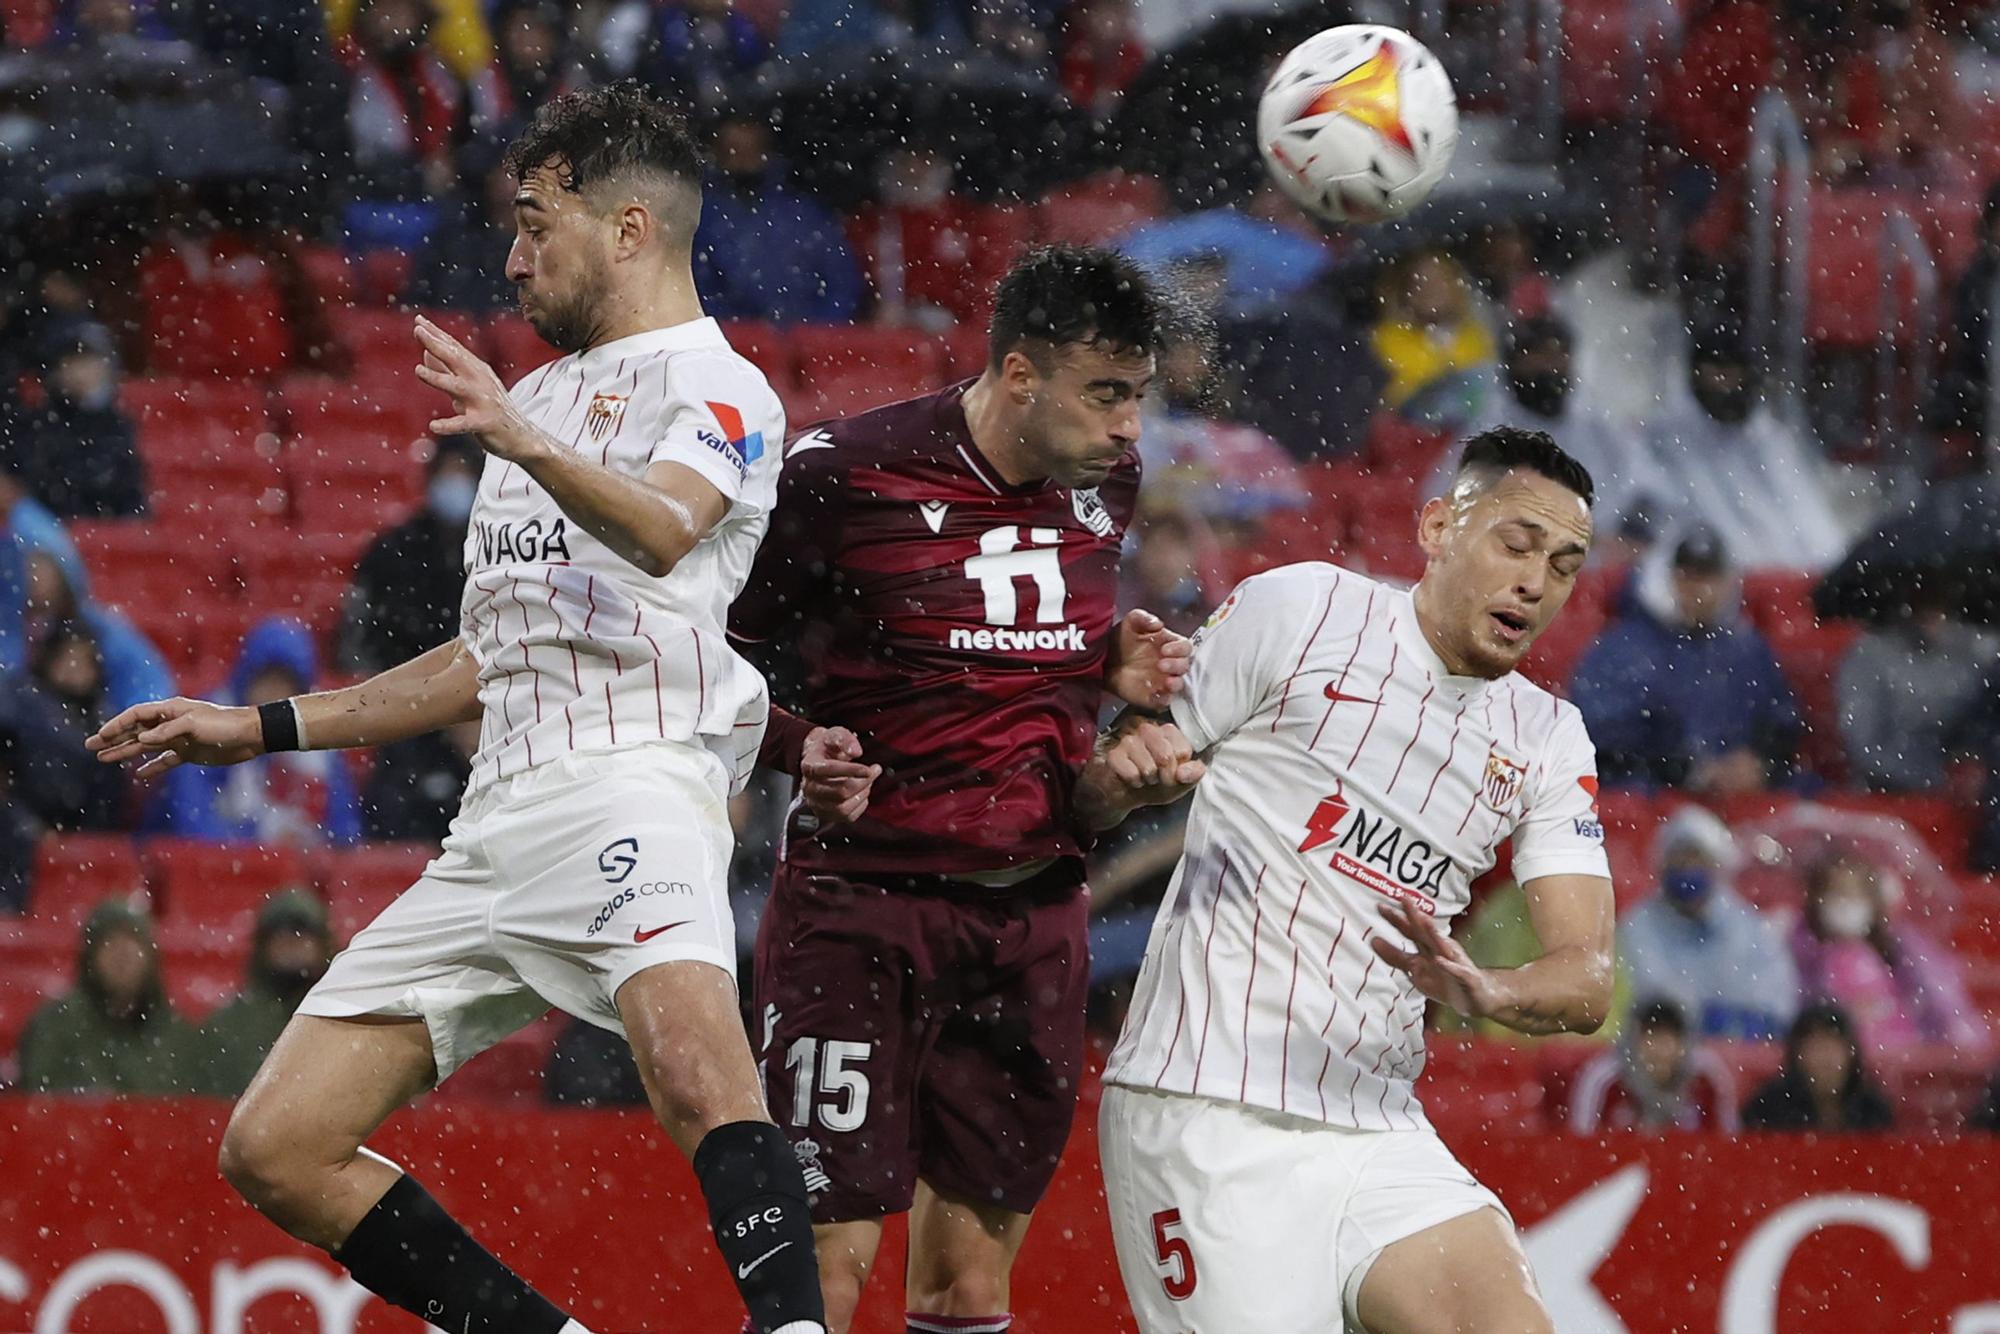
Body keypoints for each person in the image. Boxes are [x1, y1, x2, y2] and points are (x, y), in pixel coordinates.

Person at [87, 85, 826, 1334]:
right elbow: (477, 659)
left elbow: (662, 528)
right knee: (276, 1142)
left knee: (698, 1070)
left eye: (537, 223)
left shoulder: (720, 386)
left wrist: (524, 444)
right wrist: (255, 724)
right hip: (496, 823)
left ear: (630, 227)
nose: (514, 254)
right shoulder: (527, 409)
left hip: (631, 775)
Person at [727, 244, 1188, 1334]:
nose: (1130, 425)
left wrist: (1106, 688)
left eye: (1140, 394)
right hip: (858, 911)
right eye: (1106, 392)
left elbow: (1024, 675)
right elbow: (724, 659)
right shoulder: (842, 473)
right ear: (1021, 375)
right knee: (822, 1278)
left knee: (968, 1288)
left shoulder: (1104, 485)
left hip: (1031, 917)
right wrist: (797, 748)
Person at [1081, 427, 1616, 1334]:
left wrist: (1491, 987)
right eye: (1516, 545)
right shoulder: (1301, 611)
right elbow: (1096, 790)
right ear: (1441, 528)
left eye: (1564, 566)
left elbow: (1587, 977)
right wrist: (1119, 779)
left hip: (1374, 1125)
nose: (1536, 583)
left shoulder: (1546, 736)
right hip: (1208, 1106)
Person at [1570, 528, 1801, 793]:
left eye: (1710, 578)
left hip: (1744, 803)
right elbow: (1603, 741)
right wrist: (1686, 770)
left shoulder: (1747, 648)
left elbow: (1781, 721)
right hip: (1651, 801)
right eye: (1688, 577)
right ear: (1668, 579)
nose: (1701, 591)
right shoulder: (1624, 649)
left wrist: (1760, 763)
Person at [1424, 315, 1666, 535]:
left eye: (1559, 355)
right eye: (1539, 355)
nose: (1551, 365)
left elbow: (1646, 483)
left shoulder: (1596, 420)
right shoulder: (1489, 430)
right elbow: (1443, 503)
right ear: (1514, 364)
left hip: (1600, 557)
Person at [1643, 330, 1856, 571]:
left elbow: (1809, 516)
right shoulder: (1667, 438)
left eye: (1732, 375)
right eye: (1716, 375)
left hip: (1785, 577)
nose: (1724, 386)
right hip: (1709, 579)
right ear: (1697, 374)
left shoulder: (1770, 437)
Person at [146, 616, 365, 847]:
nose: (275, 694)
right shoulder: (204, 729)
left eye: (286, 684)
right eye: (267, 681)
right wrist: (262, 838)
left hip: (289, 874)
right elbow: (192, 825)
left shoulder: (319, 741)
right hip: (202, 871)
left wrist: (305, 848)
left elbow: (345, 833)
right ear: (246, 679)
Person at [1617, 806, 1797, 1041]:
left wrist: (1736, 1023)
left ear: (1717, 866)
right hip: (1664, 1051)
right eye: (1680, 858)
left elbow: (1777, 1000)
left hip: (1742, 1056)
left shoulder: (1749, 927)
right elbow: (1645, 995)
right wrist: (1695, 1019)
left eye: (1697, 858)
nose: (1688, 868)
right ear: (1663, 864)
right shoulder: (1637, 925)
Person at [1790, 852, 1989, 1054]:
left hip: (1900, 1048)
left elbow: (1938, 1001)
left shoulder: (1902, 949)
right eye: (1836, 892)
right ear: (1818, 898)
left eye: (1854, 893)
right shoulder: (1800, 950)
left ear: (1873, 901)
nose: (1844, 902)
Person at [693, 108, 863, 325]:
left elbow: (842, 283)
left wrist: (814, 334)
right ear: (718, 154)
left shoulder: (804, 213)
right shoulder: (702, 215)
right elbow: (697, 289)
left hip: (808, 346)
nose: (744, 162)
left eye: (751, 151)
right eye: (733, 152)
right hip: (734, 342)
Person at [18, 899, 194, 1094]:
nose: (122, 955)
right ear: (90, 956)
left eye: (133, 943)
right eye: (111, 943)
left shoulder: (178, 1036)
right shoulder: (55, 1025)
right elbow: (41, 1103)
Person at [1836, 577, 1995, 792]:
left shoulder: (1976, 649)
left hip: (1972, 788)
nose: (1933, 612)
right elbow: (1865, 745)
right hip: (1894, 791)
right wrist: (1934, 780)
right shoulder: (1869, 656)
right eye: (1921, 598)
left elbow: (1981, 725)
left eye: (1940, 597)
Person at [341, 437, 483, 672]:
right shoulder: (393, 549)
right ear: (432, 478)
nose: (456, 482)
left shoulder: (489, 548)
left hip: (470, 681)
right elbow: (358, 632)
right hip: (396, 680)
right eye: (449, 472)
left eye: (464, 473)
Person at [190, 891, 338, 1098]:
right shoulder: (226, 1028)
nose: (293, 942)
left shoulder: (347, 1017)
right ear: (263, 945)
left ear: (323, 945)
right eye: (281, 932)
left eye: (304, 931)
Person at [2, 323, 146, 518]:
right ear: (56, 370)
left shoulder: (119, 426)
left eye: (92, 362)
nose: (83, 372)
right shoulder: (35, 424)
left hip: (103, 534)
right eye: (74, 362)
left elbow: (131, 500)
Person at [1568, 998, 1738, 1133]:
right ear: (1633, 1043)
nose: (1660, 1051)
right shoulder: (1604, 1079)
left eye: (1669, 1040)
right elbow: (1582, 1145)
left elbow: (1728, 1146)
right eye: (1651, 1039)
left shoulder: (1707, 1076)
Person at [1742, 1003, 1895, 1132]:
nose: (1826, 1058)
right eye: (1817, 1047)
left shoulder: (1872, 1110)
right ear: (1797, 1054)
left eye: (1833, 1047)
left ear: (1851, 1053)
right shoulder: (1769, 1109)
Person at [362, 717, 480, 841]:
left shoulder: (497, 767)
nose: (475, 730)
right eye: (471, 719)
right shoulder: (410, 753)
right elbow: (386, 814)